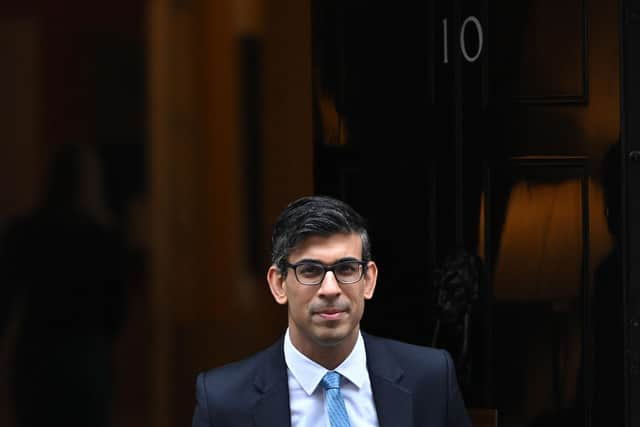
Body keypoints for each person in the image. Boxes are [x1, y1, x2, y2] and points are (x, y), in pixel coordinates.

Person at [192, 195, 471, 427]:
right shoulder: (223, 400)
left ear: (369, 280)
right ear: (279, 284)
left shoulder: (430, 379)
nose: (330, 289)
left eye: (346, 269)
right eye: (310, 271)